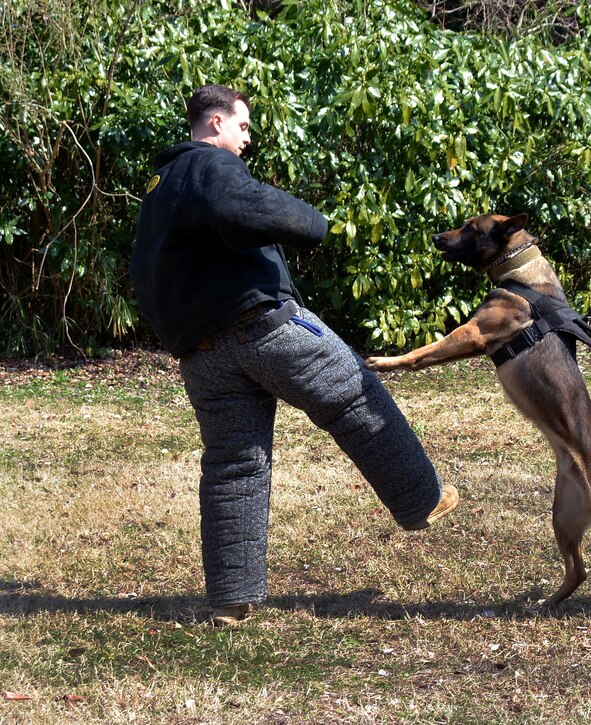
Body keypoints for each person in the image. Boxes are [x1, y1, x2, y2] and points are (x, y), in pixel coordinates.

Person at [130, 84, 459, 627]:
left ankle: (231, 600)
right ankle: (422, 498)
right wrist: (314, 222)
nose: (247, 139)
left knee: (235, 463)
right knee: (353, 392)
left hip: (201, 354)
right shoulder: (209, 167)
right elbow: (249, 207)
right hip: (264, 327)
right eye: (243, 127)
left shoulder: (161, 188)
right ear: (215, 124)